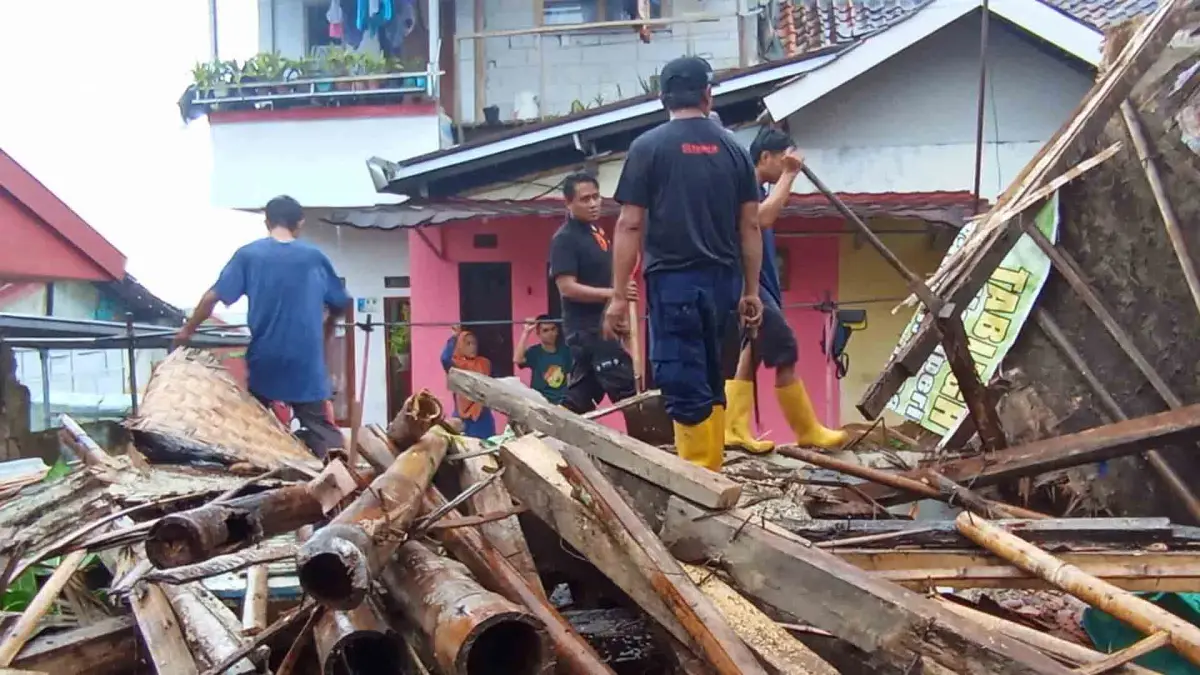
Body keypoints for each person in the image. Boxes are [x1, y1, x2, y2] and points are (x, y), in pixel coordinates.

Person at [603, 56, 765, 472]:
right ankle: (711, 476)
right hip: (726, 285)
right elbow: (750, 225)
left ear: (663, 98)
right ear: (708, 95)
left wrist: (619, 295)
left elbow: (629, 223)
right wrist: (751, 290)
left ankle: (699, 490)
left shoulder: (648, 148)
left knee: (683, 383)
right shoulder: (734, 149)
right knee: (713, 382)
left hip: (674, 286)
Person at [173, 195, 351, 460]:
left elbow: (212, 297)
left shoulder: (249, 255)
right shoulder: (314, 258)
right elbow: (340, 302)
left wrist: (186, 332)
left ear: (266, 222)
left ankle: (257, 472)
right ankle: (342, 478)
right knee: (322, 431)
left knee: (253, 426)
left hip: (265, 357)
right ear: (299, 223)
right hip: (306, 361)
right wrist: (325, 338)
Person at [724, 128, 849, 454]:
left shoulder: (755, 186)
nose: (786, 165)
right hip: (747, 283)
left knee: (752, 352)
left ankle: (734, 427)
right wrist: (790, 176)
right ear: (765, 157)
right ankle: (806, 429)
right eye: (782, 159)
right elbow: (763, 218)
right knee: (786, 348)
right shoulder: (746, 184)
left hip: (758, 282)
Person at [548, 172, 639, 414]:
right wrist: (614, 293)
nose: (593, 203)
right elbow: (567, 288)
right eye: (585, 199)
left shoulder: (596, 233)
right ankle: (650, 444)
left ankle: (550, 439)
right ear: (568, 203)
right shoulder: (564, 239)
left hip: (604, 325)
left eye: (596, 197)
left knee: (580, 397)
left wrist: (617, 311)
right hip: (586, 330)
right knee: (629, 388)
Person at [440, 327, 497, 439]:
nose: (472, 347)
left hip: (482, 414)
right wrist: (454, 338)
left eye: (474, 344)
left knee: (486, 448)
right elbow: (445, 358)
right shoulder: (456, 366)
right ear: (460, 346)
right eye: (468, 344)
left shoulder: (484, 363)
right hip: (462, 415)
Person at [515, 314, 572, 404]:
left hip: (561, 404)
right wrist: (526, 332)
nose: (550, 333)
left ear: (557, 331)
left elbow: (569, 377)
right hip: (539, 402)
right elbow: (517, 360)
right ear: (538, 333)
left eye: (553, 329)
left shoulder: (565, 351)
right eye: (545, 330)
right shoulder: (534, 352)